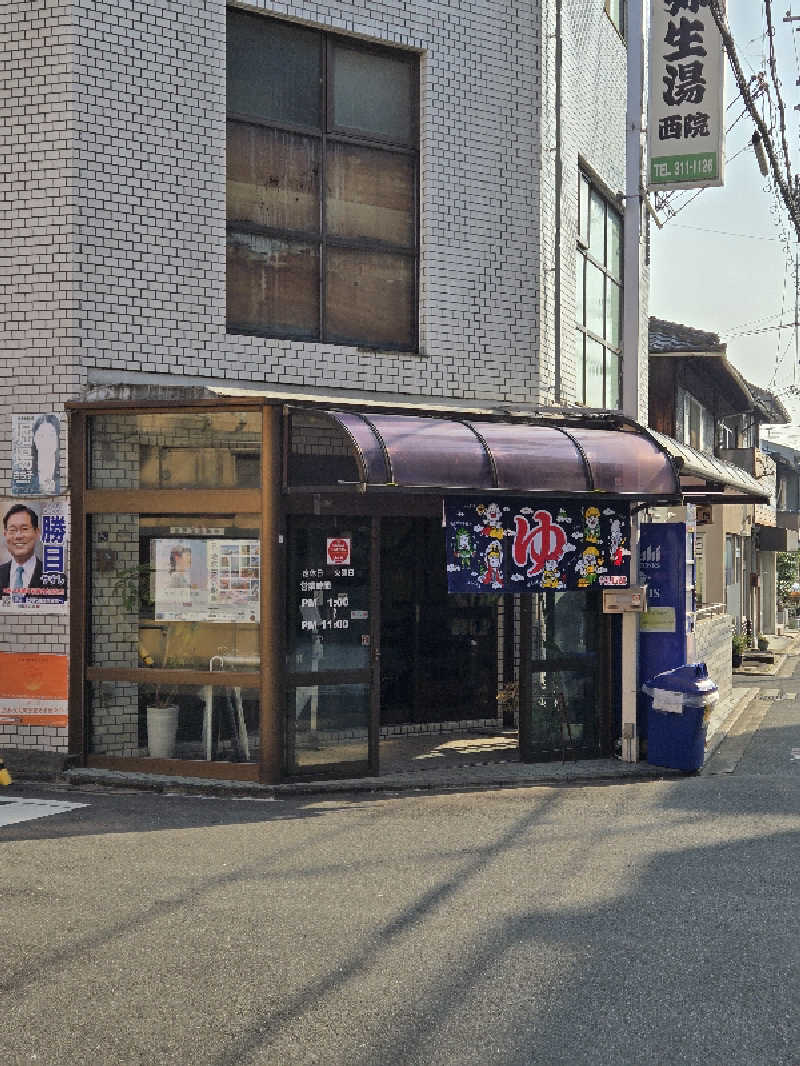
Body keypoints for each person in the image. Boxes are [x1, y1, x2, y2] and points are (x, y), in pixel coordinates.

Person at [0, 504, 43, 595]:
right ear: (5, 534)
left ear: (37, 533)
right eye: (12, 530)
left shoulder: (55, 578)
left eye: (24, 529)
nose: (18, 536)